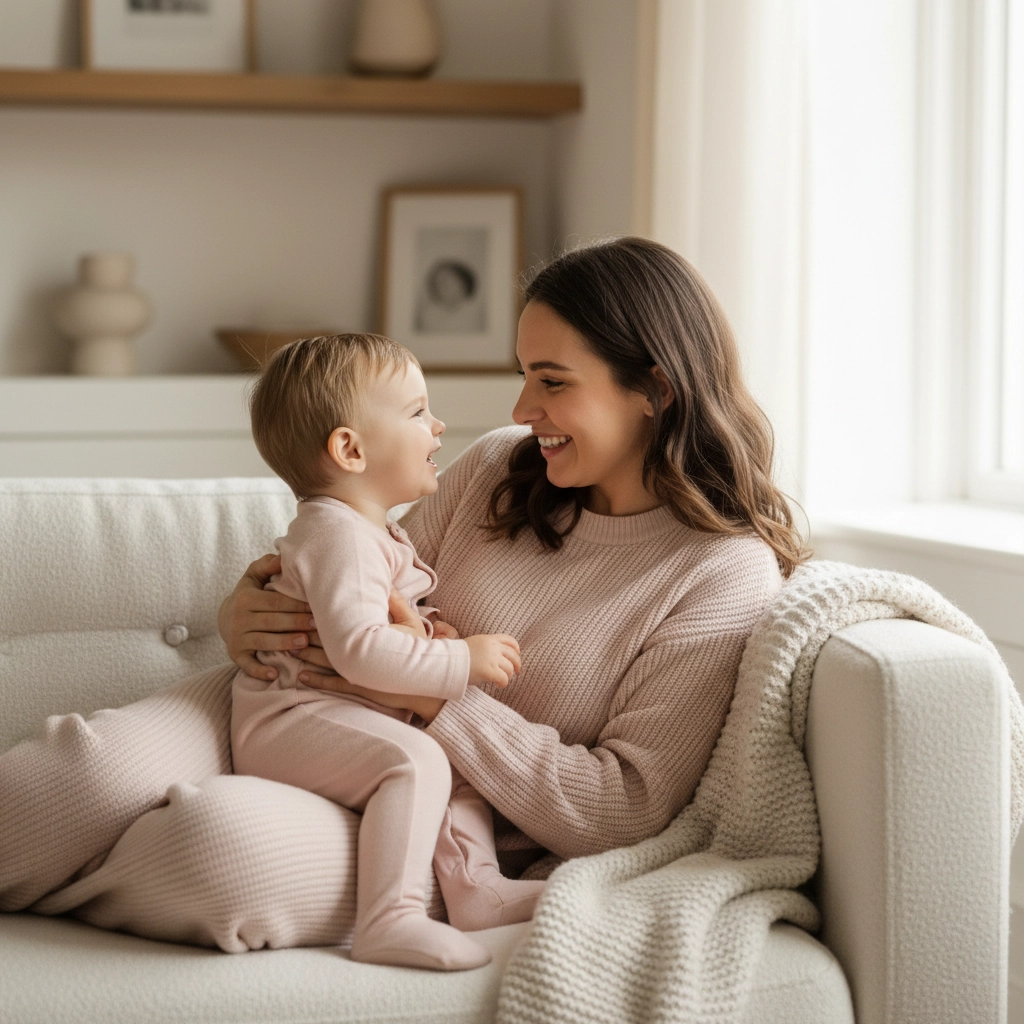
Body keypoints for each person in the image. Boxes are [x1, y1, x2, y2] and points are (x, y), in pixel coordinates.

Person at [219, 236, 807, 915]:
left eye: (552, 382)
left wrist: (436, 695)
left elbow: (622, 809)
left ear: (655, 390)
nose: (521, 410)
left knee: (211, 845)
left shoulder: (722, 574)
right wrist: (243, 614)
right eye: (524, 374)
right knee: (113, 762)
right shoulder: (497, 467)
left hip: (424, 826)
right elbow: (358, 587)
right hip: (313, 728)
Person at [232, 333, 543, 971]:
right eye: (417, 411)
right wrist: (460, 662)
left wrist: (427, 633)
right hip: (290, 719)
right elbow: (359, 652)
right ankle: (389, 919)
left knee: (454, 759)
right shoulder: (338, 535)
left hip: (331, 712)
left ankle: (476, 888)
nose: (438, 425)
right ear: (350, 450)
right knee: (416, 760)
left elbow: (377, 626)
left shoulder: (367, 530)